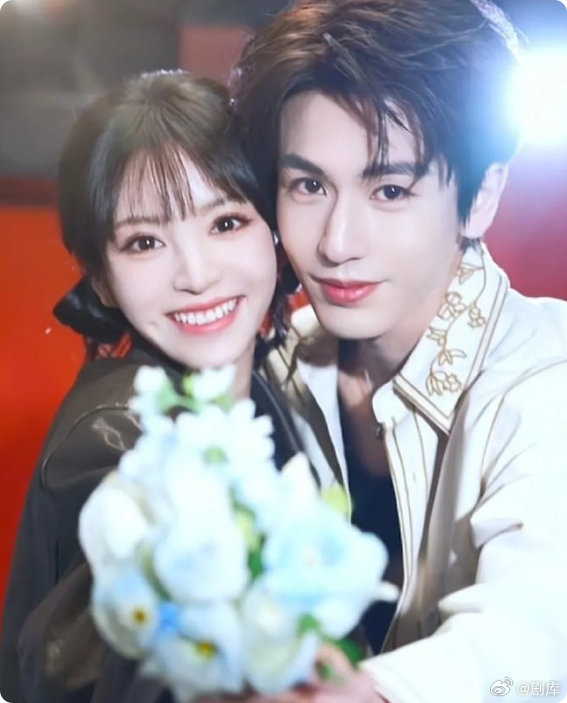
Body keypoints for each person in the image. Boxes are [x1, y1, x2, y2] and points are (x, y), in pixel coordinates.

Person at [229, 1, 567, 701]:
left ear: (481, 196)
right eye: (309, 185)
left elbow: (532, 636)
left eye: (389, 189)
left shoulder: (547, 377)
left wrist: (369, 691)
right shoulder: (277, 365)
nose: (336, 242)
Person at [0, 70, 303, 703]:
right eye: (144, 242)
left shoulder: (269, 379)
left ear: (276, 231)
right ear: (101, 280)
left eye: (226, 223)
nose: (196, 275)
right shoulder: (121, 440)